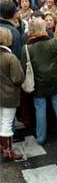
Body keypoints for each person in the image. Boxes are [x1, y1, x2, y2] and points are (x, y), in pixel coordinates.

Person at [21, 17, 57, 146]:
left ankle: (41, 138)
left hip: (38, 83)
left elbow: (23, 67)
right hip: (55, 80)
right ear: (44, 28)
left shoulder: (27, 48)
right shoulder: (55, 42)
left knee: (40, 110)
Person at [0, 27, 25, 161]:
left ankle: (2, 147)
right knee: (7, 123)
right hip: (9, 95)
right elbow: (18, 78)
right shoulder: (10, 57)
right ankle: (8, 151)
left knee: (0, 122)